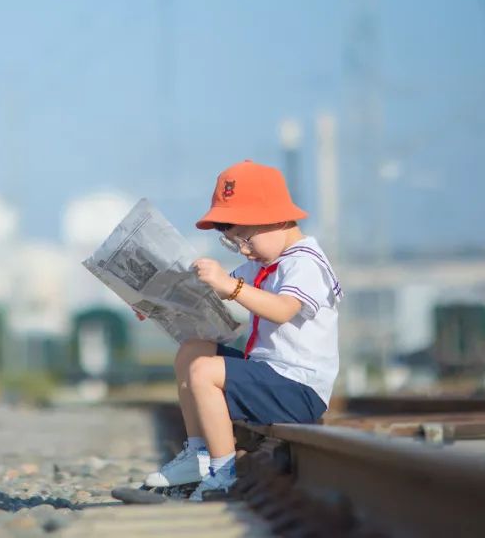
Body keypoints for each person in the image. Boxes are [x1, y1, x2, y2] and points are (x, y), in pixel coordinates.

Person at [140, 159, 343, 501]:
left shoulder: (305, 262)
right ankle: (199, 455)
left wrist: (229, 286)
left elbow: (282, 309)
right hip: (270, 375)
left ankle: (222, 475)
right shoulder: (262, 262)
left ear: (276, 219)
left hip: (300, 389)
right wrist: (156, 304)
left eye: (245, 239)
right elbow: (211, 302)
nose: (244, 250)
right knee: (193, 350)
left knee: (205, 370)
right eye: (233, 244)